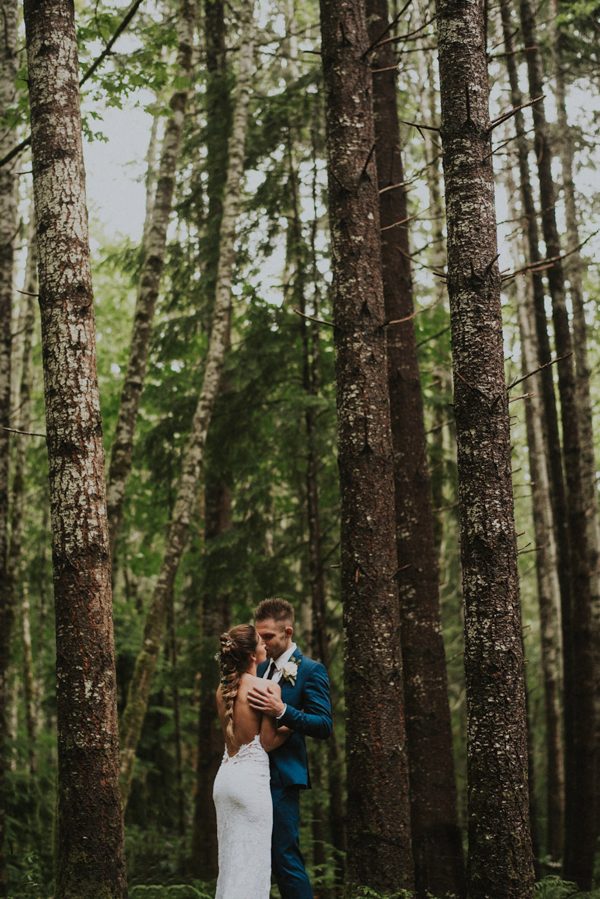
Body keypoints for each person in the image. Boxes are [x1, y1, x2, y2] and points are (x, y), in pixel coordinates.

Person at [247, 598, 333, 899]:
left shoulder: (311, 670)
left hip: (283, 776)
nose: (263, 642)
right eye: (259, 636)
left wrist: (283, 710)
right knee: (255, 858)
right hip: (251, 774)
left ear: (288, 631)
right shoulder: (257, 669)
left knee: (284, 856)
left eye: (268, 636)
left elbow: (324, 724)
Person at [213, 623, 290, 899]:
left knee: (231, 865)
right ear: (251, 655)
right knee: (253, 865)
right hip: (250, 785)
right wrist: (293, 720)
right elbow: (267, 742)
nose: (265, 645)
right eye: (260, 641)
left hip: (224, 781)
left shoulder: (221, 692)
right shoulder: (266, 687)